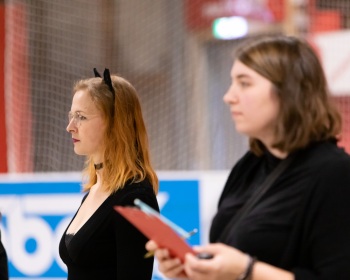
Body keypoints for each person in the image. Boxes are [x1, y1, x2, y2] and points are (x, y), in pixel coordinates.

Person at [146, 35, 350, 279]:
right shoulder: (250, 165)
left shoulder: (334, 173)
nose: (229, 96)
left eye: (244, 83)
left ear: (288, 92)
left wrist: (247, 270)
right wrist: (192, 271)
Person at [59, 68, 159, 280]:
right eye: (71, 116)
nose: (70, 127)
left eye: (81, 117)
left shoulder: (135, 197)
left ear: (114, 123)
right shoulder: (95, 190)